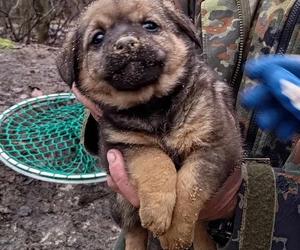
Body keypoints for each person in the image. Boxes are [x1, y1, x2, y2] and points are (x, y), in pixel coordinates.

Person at [71, 1, 300, 249]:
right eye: (98, 37)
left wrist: (252, 195)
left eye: (148, 26)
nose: (126, 42)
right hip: (150, 216)